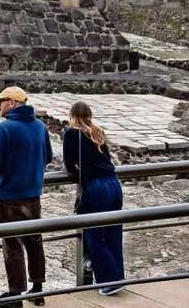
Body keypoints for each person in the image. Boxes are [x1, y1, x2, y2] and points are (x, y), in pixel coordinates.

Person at [0, 86, 53, 307]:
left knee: (12, 243)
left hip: (9, 195)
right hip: (33, 194)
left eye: (2, 101)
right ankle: (37, 290)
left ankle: (15, 295)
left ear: (12, 103)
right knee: (34, 241)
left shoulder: (4, 129)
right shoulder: (40, 126)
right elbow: (48, 157)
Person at [63, 102, 125, 297]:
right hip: (114, 184)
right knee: (113, 232)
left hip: (96, 187)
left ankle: (109, 281)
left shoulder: (72, 133)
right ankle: (118, 276)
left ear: (72, 115)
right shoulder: (98, 132)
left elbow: (69, 164)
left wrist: (79, 173)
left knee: (94, 234)